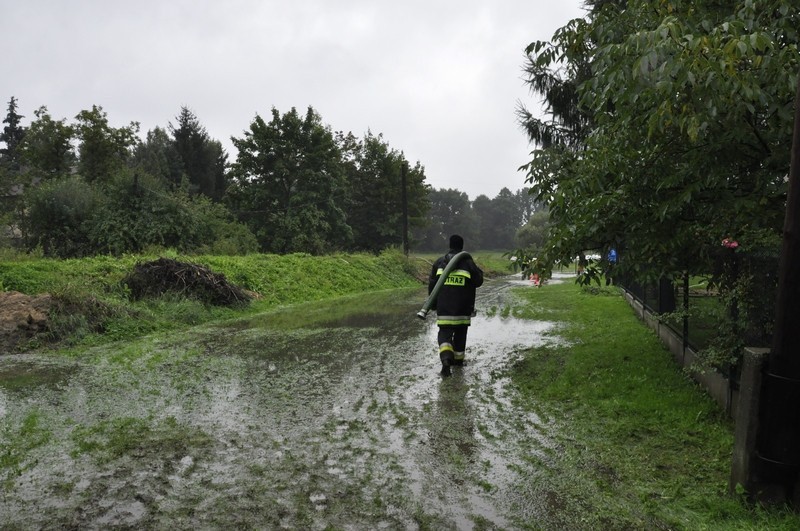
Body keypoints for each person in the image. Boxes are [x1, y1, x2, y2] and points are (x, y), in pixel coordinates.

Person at [428, 234, 484, 377]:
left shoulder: (439, 262)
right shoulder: (468, 262)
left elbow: (433, 285)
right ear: (462, 246)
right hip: (463, 309)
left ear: (450, 245)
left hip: (444, 308)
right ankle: (458, 362)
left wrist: (433, 305)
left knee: (444, 335)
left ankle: (446, 359)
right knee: (460, 335)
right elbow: (478, 281)